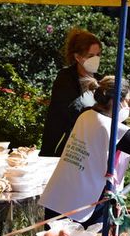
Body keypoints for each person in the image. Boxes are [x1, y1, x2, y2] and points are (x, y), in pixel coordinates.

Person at [39, 76, 130, 227]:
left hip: (60, 194)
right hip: (85, 202)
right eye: (127, 101)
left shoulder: (85, 115)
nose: (127, 106)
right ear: (117, 101)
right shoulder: (114, 128)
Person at [40, 28, 102, 157]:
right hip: (62, 147)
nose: (96, 59)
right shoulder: (65, 78)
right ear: (77, 57)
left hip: (88, 149)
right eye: (90, 56)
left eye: (98, 55)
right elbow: (72, 110)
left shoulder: (100, 79)